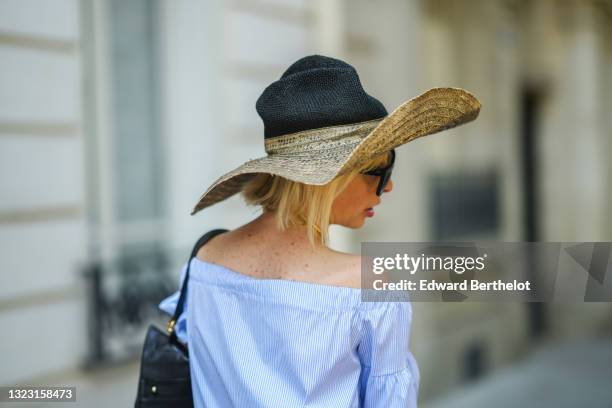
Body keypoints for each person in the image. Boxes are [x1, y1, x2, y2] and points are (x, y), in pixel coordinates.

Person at [159, 55, 481, 407]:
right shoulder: (365, 287)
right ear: (332, 179)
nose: (387, 188)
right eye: (382, 170)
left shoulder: (203, 261)